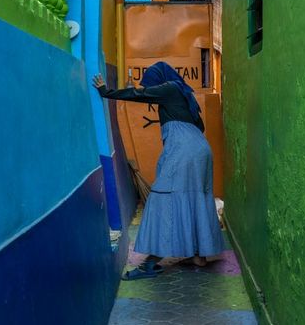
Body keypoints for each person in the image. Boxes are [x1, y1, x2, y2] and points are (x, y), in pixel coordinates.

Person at [93, 62, 224, 280]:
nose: (153, 87)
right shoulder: (184, 93)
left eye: (152, 83)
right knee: (193, 199)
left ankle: (150, 264)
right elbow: (199, 126)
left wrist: (106, 92)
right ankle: (198, 256)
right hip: (200, 149)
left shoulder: (169, 87)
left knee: (164, 199)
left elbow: (139, 93)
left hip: (183, 150)